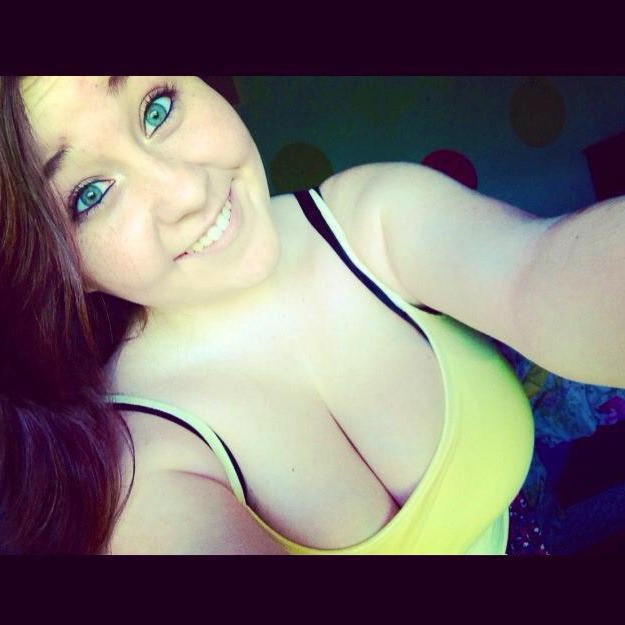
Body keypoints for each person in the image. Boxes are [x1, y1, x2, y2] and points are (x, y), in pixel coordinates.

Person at [0, 76, 622, 555]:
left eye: (156, 108)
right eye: (90, 194)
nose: (186, 191)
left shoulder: (370, 217)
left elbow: (539, 276)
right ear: (61, 263)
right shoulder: (138, 465)